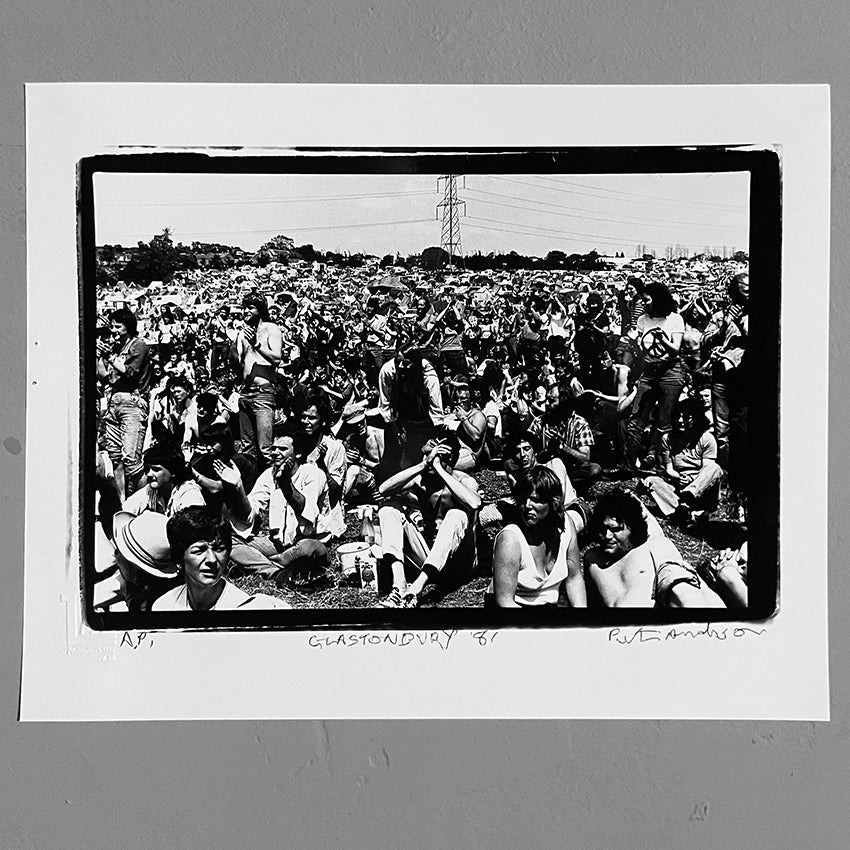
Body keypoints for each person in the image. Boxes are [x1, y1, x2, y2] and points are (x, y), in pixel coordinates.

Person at [376, 435, 481, 608]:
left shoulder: (464, 480)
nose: (430, 459)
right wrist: (423, 465)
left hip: (460, 563)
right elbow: (383, 489)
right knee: (388, 508)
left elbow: (474, 503)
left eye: (434, 455)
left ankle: (416, 588)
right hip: (429, 558)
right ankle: (399, 584)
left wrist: (439, 468)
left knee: (456, 514)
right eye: (426, 454)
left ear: (450, 458)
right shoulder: (421, 480)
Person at [218, 427, 331, 585]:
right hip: (277, 544)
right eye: (273, 448)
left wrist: (286, 485)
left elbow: (306, 513)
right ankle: (276, 570)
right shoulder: (268, 475)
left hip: (309, 542)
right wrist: (238, 487)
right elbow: (249, 513)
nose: (275, 453)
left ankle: (267, 562)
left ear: (297, 453)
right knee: (230, 540)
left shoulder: (313, 474)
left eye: (283, 449)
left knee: (306, 549)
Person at [583, 489, 725, 608]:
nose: (607, 536)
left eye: (616, 530)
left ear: (633, 528)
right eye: (602, 528)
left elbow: (686, 596)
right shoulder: (593, 559)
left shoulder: (653, 548)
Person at [153, 506, 288, 611]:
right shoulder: (164, 606)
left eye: (219, 549)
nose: (212, 560)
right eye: (199, 551)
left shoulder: (248, 609)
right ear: (178, 558)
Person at [488, 465, 586, 608]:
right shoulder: (511, 539)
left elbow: (574, 577)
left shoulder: (566, 526)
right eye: (523, 499)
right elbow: (504, 601)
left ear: (553, 502)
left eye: (536, 499)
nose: (527, 505)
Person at [624, 280, 686, 472]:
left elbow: (675, 350)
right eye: (642, 300)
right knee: (636, 419)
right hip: (650, 371)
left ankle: (663, 464)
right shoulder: (643, 320)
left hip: (670, 371)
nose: (643, 304)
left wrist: (663, 340)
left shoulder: (675, 319)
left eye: (647, 300)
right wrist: (633, 344)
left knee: (664, 421)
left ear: (658, 300)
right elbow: (642, 350)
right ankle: (628, 466)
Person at [96, 307, 153, 500]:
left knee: (131, 457)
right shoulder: (116, 348)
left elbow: (130, 372)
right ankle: (123, 502)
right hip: (114, 402)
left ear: (128, 327)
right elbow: (104, 376)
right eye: (112, 326)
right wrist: (101, 356)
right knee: (115, 457)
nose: (113, 330)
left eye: (117, 326)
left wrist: (111, 358)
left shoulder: (139, 346)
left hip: (132, 401)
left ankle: (141, 502)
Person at [643, 396, 724, 525]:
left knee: (715, 468)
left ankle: (688, 501)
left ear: (696, 418)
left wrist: (692, 485)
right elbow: (669, 468)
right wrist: (679, 478)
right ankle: (685, 512)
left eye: (686, 418)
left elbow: (708, 469)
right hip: (679, 482)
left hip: (701, 486)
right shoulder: (667, 438)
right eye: (677, 417)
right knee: (651, 481)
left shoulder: (707, 438)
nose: (680, 421)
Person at [233, 292, 282, 471]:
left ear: (260, 310)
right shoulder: (243, 333)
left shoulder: (271, 329)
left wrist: (257, 344)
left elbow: (277, 358)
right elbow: (238, 363)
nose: (246, 311)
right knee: (246, 449)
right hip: (245, 393)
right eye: (244, 307)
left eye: (250, 307)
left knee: (265, 449)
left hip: (263, 393)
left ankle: (274, 489)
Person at [96, 510, 181, 613]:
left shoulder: (162, 604)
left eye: (120, 551)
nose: (115, 554)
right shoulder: (129, 582)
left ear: (136, 573)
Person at [300, 389, 347, 540]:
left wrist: (320, 463)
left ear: (323, 421)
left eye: (312, 418)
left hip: (325, 517)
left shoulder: (335, 448)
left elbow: (335, 490)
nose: (306, 422)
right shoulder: (296, 445)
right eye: (303, 417)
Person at [121, 441, 206, 518]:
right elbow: (125, 511)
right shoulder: (150, 490)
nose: (149, 474)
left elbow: (193, 529)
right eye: (147, 469)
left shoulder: (189, 493)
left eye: (156, 469)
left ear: (173, 471)